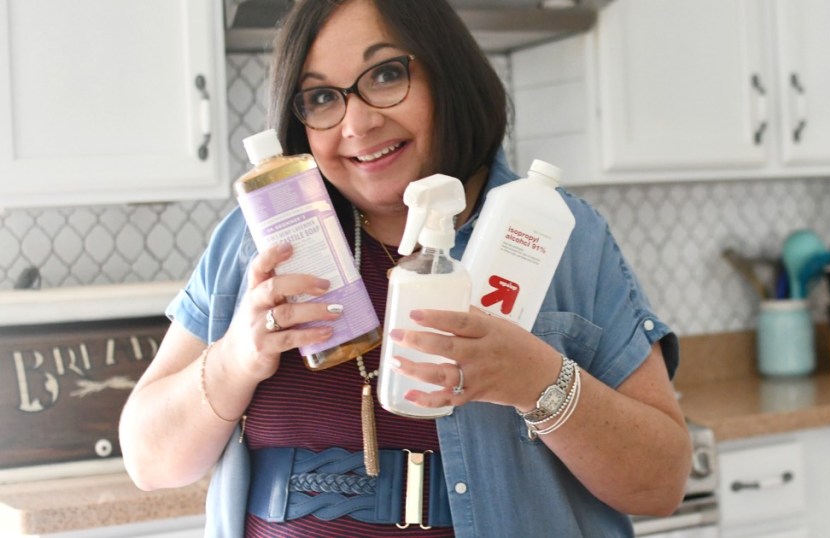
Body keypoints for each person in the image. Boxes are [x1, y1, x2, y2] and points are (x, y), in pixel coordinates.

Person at [118, 0, 691, 536]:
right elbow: (150, 461)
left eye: (387, 75)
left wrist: (538, 380)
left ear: (447, 76)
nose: (357, 124)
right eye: (321, 98)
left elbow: (660, 483)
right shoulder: (257, 239)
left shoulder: (556, 232)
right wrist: (235, 360)